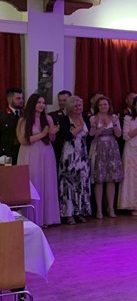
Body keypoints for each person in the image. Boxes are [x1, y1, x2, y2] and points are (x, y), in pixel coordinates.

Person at [15, 94, 60, 227]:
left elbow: (51, 139)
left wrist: (52, 133)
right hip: (30, 153)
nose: (42, 105)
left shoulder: (48, 118)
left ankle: (47, 218)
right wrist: (42, 134)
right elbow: (23, 140)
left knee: (47, 183)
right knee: (34, 182)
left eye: (43, 102)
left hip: (46, 153)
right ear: (32, 104)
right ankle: (33, 218)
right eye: (39, 102)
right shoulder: (24, 120)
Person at [57, 95, 93, 224]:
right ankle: (68, 214)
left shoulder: (86, 118)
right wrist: (77, 129)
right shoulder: (64, 120)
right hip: (69, 155)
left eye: (80, 105)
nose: (78, 108)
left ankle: (81, 212)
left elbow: (89, 136)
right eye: (75, 106)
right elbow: (65, 136)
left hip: (82, 155)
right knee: (68, 184)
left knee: (82, 183)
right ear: (70, 107)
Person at [88, 95, 123, 218]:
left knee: (111, 179)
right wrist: (100, 128)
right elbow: (91, 135)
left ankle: (111, 208)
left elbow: (118, 135)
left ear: (109, 106)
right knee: (99, 180)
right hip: (99, 148)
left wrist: (115, 123)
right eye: (101, 105)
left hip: (112, 148)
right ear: (97, 106)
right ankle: (99, 209)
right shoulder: (94, 118)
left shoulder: (114, 117)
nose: (103, 106)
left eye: (105, 104)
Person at [1, 87, 24, 164]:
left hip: (22, 151)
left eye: (22, 98)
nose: (21, 101)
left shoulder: (25, 114)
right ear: (10, 99)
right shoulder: (2, 116)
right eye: (18, 98)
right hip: (7, 154)